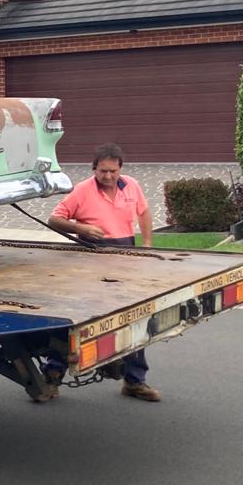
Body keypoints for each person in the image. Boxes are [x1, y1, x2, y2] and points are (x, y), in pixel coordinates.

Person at [46, 143, 161, 402]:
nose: (107, 176)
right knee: (79, 320)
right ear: (94, 169)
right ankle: (51, 376)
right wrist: (82, 229)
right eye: (102, 171)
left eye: (112, 171)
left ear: (120, 168)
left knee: (134, 318)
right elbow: (54, 219)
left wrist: (147, 245)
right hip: (93, 259)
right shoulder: (82, 191)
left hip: (126, 255)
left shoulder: (131, 185)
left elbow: (143, 213)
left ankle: (134, 381)